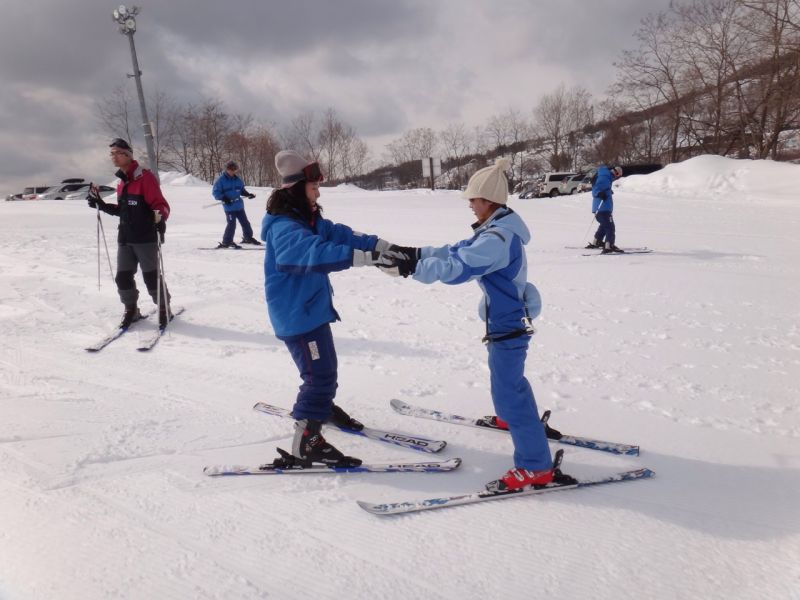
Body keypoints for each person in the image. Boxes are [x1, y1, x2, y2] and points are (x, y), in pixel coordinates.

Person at [376, 158, 573, 492]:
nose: (470, 204)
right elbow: (454, 250)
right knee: (504, 381)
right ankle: (512, 418)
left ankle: (536, 466)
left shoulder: (496, 240)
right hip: (503, 320)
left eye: (474, 199)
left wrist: (411, 270)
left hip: (508, 322)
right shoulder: (495, 230)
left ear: (490, 201)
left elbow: (459, 267)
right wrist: (413, 253)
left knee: (511, 389)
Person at [261, 150, 413, 467]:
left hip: (310, 311)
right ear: (295, 188)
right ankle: (306, 441)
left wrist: (384, 247)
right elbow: (313, 252)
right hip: (298, 316)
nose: (318, 194)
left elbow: (340, 234)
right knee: (319, 377)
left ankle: (321, 407)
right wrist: (370, 259)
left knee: (323, 371)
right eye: (313, 188)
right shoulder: (285, 228)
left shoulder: (309, 219)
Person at [87, 138, 173, 328]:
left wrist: (160, 220)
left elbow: (161, 205)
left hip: (144, 237)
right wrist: (101, 205)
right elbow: (123, 210)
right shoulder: (122, 181)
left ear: (128, 155)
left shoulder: (145, 178)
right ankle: (131, 309)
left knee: (150, 276)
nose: (114, 157)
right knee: (123, 277)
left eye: (117, 153)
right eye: (112, 154)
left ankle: (164, 308)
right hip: (125, 238)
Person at [212, 161, 259, 249]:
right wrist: (224, 198)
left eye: (234, 169)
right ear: (227, 169)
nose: (232, 171)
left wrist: (248, 194)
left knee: (245, 223)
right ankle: (227, 241)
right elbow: (215, 193)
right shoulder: (221, 180)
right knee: (231, 224)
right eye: (230, 169)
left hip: (239, 206)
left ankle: (248, 238)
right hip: (229, 207)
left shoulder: (238, 180)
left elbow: (241, 190)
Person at [586, 165, 624, 253]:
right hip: (602, 208)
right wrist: (599, 193)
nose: (617, 178)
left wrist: (607, 191)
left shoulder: (605, 176)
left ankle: (597, 241)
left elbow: (601, 187)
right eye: (618, 176)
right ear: (616, 173)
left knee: (604, 225)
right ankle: (609, 246)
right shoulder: (605, 177)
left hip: (601, 208)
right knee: (610, 227)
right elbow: (596, 189)